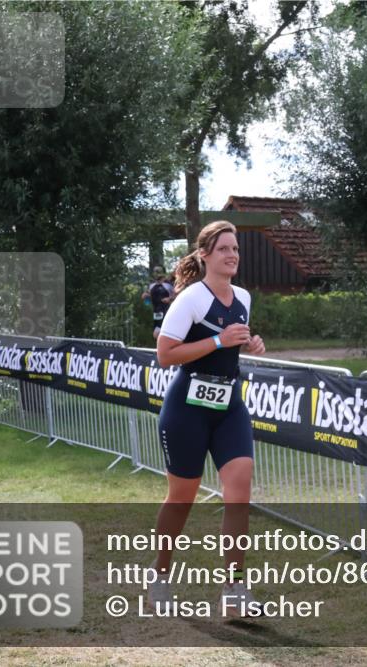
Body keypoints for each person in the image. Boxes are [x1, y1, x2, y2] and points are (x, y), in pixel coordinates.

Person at [148, 220, 266, 617]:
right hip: (187, 412)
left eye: (235, 249)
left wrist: (250, 343)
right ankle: (160, 576)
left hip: (229, 407)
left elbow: (233, 345)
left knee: (240, 493)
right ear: (205, 256)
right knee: (182, 499)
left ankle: (234, 590)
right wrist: (217, 340)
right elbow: (165, 355)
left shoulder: (244, 298)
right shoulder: (191, 300)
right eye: (223, 249)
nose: (232, 255)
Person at [141, 266, 174, 339]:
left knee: (159, 333)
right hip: (156, 312)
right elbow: (148, 297)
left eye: (158, 271)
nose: (156, 273)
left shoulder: (169, 285)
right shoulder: (152, 285)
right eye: (154, 271)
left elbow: (177, 295)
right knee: (157, 334)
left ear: (163, 273)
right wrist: (145, 296)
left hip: (167, 311)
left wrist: (169, 298)